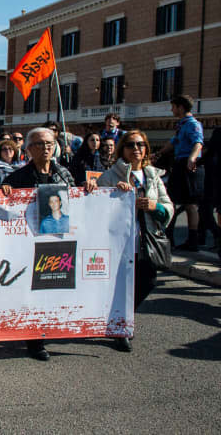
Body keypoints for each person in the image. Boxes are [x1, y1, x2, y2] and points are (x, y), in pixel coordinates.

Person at [1, 127, 90, 362]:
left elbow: (80, 202)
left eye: (50, 143)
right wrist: (5, 191)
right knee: (32, 290)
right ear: (29, 149)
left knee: (51, 289)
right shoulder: (17, 177)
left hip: (58, 242)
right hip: (29, 243)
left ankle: (44, 331)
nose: (46, 148)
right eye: (40, 144)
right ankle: (34, 339)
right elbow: (4, 206)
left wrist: (88, 189)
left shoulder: (64, 174)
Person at [97, 130, 173, 351]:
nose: (136, 149)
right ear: (123, 149)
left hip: (146, 239)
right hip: (122, 241)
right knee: (121, 285)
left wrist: (154, 207)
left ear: (146, 149)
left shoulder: (152, 175)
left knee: (147, 281)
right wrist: (114, 194)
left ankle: (121, 318)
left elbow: (168, 205)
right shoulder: (111, 175)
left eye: (140, 145)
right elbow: (98, 206)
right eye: (130, 145)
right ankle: (121, 328)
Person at [155, 95, 204, 251]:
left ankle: (192, 240)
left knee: (189, 204)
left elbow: (198, 142)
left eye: (173, 107)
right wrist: (158, 154)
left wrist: (192, 158)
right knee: (174, 201)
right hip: (180, 163)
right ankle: (170, 237)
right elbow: (174, 142)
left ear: (181, 108)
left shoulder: (192, 124)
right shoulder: (181, 125)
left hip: (187, 165)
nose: (172, 110)